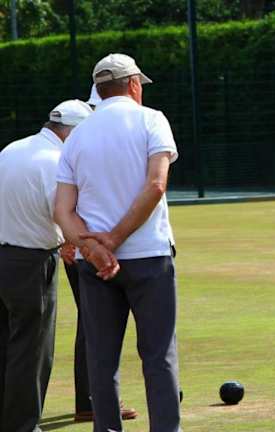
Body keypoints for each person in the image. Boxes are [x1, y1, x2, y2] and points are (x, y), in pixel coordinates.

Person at [54, 53, 181, 432]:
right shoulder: (152, 120)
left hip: (95, 265)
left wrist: (94, 249)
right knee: (158, 357)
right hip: (149, 257)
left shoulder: (77, 136)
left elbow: (62, 210)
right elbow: (156, 184)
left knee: (101, 360)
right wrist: (114, 238)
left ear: (99, 90)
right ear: (134, 84)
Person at [0, 99, 92, 432]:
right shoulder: (57, 161)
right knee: (32, 349)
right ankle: (23, 426)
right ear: (74, 133)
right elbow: (61, 212)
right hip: (31, 262)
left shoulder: (12, 149)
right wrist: (82, 244)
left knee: (6, 345)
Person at [62, 83, 138, 424]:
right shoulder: (90, 129)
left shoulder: (87, 127)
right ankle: (93, 401)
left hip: (82, 242)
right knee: (94, 325)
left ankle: (91, 400)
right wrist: (70, 241)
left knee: (91, 323)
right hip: (87, 244)